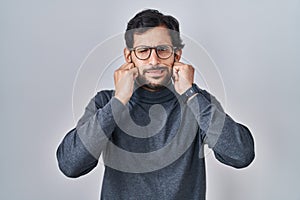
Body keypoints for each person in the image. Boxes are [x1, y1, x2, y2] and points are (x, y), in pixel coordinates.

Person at [56, 9, 255, 200]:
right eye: (143, 50)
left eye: (162, 50)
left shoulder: (197, 101)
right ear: (129, 56)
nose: (154, 60)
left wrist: (190, 93)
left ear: (176, 55)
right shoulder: (106, 103)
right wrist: (119, 101)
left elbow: (241, 155)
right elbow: (70, 165)